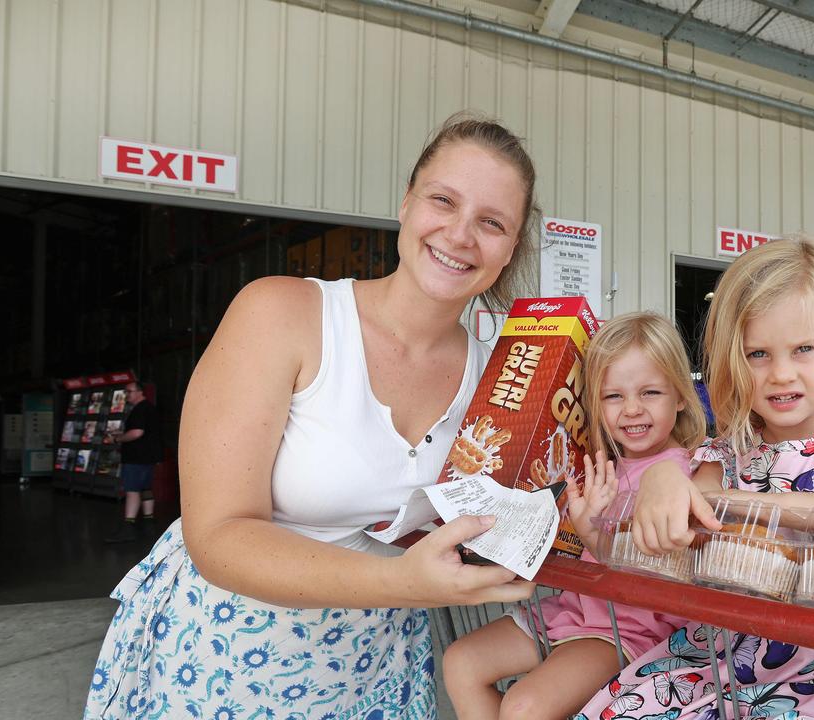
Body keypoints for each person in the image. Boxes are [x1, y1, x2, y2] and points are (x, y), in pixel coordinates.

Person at [84, 115, 540, 719]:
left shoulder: (500, 381)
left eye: (491, 222)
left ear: (510, 248)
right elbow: (217, 537)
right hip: (224, 659)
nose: (460, 234)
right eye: (443, 200)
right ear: (406, 204)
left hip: (376, 668)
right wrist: (407, 583)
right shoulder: (283, 314)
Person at [577, 237, 814, 720]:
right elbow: (679, 537)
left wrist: (777, 509)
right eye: (757, 354)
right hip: (719, 660)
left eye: (804, 348)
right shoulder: (722, 458)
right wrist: (662, 477)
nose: (781, 373)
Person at [443, 312, 708, 720]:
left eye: (650, 392)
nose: (632, 410)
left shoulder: (682, 472)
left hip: (628, 631)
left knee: (524, 707)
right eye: (613, 396)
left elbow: (658, 559)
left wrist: (589, 531)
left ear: (681, 395)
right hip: (574, 609)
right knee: (462, 662)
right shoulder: (600, 463)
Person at [103, 381, 164, 543]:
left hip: (136, 458)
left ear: (139, 392)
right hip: (149, 457)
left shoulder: (139, 409)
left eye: (129, 392)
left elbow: (137, 433)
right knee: (146, 488)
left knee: (132, 490)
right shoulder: (150, 408)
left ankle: (128, 528)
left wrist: (118, 438)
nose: (126, 395)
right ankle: (149, 523)